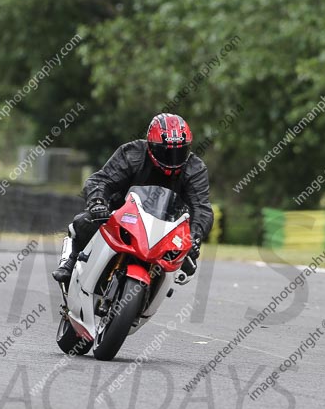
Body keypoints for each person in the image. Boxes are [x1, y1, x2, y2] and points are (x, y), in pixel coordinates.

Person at [52, 113, 213, 282]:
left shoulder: (195, 168)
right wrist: (98, 202)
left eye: (180, 152)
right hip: (121, 215)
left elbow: (202, 208)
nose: (173, 159)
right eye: (166, 152)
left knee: (188, 265)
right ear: (151, 146)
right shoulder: (133, 154)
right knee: (84, 222)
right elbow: (101, 180)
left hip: (167, 228)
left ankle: (158, 286)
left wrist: (194, 236)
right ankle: (71, 261)